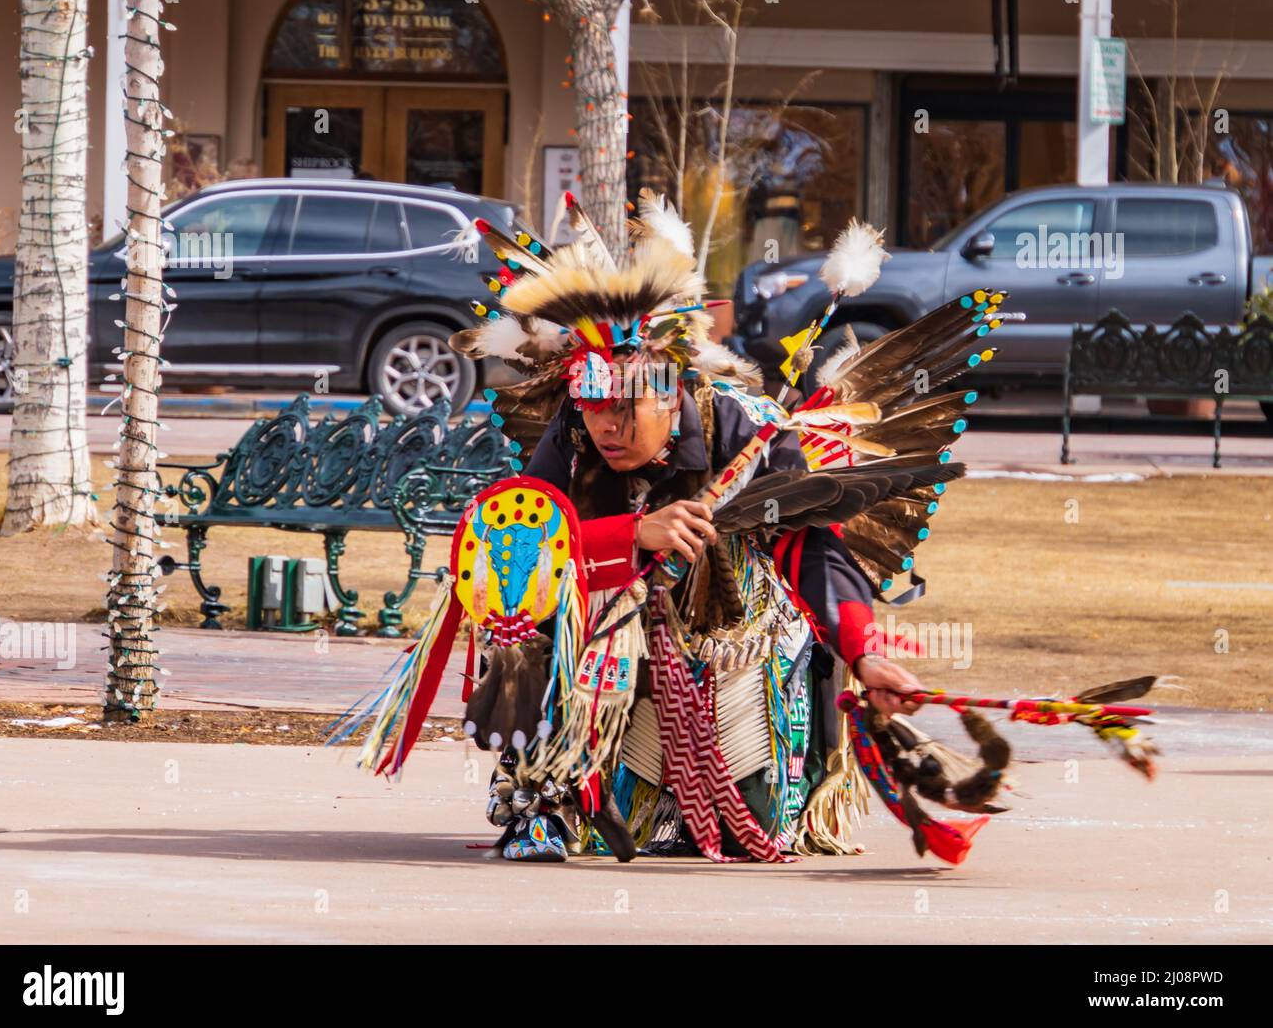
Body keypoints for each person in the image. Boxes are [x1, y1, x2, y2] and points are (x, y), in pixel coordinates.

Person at [333, 189, 1011, 864]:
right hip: (612, 636)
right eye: (593, 411)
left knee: (758, 828)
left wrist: (864, 649)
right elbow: (520, 542)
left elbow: (811, 548)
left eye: (625, 413)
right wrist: (631, 537)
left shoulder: (745, 428)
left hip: (736, 630)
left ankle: (730, 785)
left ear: (671, 395)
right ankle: (543, 800)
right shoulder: (571, 436)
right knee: (518, 596)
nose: (607, 430)